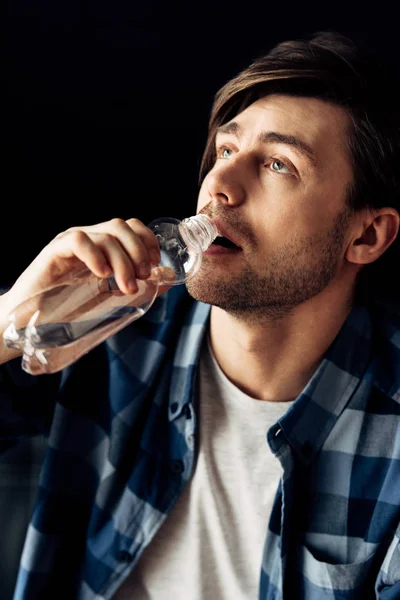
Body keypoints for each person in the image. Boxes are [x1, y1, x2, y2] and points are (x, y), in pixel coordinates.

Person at [1, 30, 400, 600]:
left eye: (279, 165)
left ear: (366, 235)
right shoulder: (114, 326)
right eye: (227, 150)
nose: (220, 186)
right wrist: (9, 318)